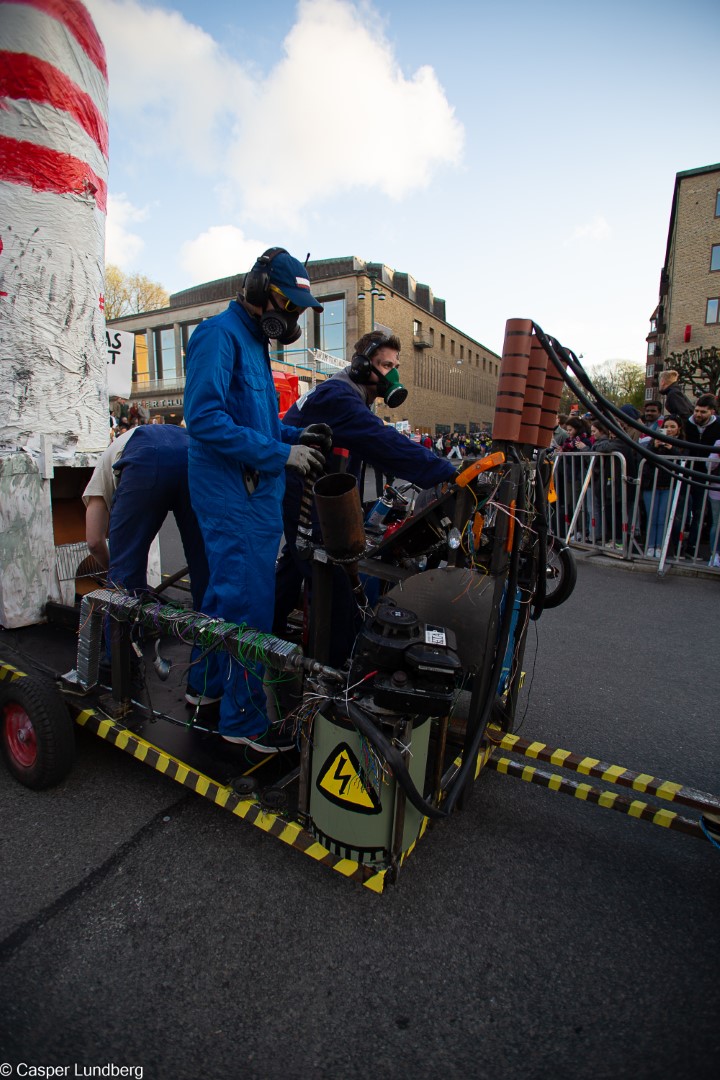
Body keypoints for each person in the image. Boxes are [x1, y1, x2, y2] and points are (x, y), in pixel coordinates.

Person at [183, 247, 327, 755]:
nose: (292, 321)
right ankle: (242, 721)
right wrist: (282, 454)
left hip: (252, 495)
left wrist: (294, 435)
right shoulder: (219, 335)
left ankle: (204, 689)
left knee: (225, 599)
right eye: (288, 307)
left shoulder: (253, 343)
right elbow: (204, 420)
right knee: (249, 607)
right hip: (233, 495)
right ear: (260, 290)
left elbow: (257, 423)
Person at [273, 330, 457, 665]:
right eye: (385, 366)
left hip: (310, 490)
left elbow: (363, 453)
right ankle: (327, 669)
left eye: (395, 366)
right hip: (302, 492)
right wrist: (445, 471)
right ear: (360, 365)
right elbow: (382, 441)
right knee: (330, 582)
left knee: (292, 564)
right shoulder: (339, 396)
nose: (392, 374)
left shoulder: (348, 395)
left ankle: (268, 631)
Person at [83, 424, 210, 694]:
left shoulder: (102, 469)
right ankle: (208, 664)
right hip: (193, 454)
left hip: (146, 457)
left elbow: (94, 541)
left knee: (124, 578)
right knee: (205, 568)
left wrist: (113, 572)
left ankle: (119, 666)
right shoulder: (144, 437)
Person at [683, 394, 720, 556]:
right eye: (697, 411)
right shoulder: (688, 424)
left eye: (703, 412)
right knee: (681, 510)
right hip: (685, 471)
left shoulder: (718, 426)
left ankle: (692, 547)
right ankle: (677, 545)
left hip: (706, 475)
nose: (698, 415)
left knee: (699, 512)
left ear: (712, 412)